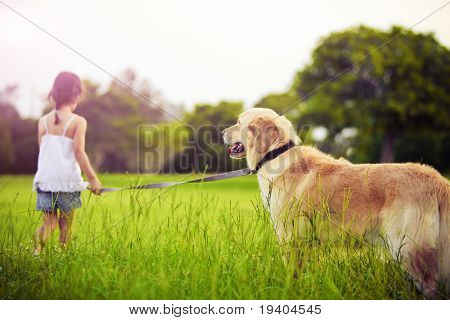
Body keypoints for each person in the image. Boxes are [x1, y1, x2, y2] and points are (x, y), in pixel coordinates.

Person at [33, 71, 102, 254]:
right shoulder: (78, 121)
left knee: (49, 223)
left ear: (54, 95)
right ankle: (63, 258)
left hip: (46, 181)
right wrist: (92, 179)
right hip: (67, 182)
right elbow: (79, 152)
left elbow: (43, 152)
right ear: (76, 96)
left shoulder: (43, 122)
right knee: (66, 226)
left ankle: (36, 253)